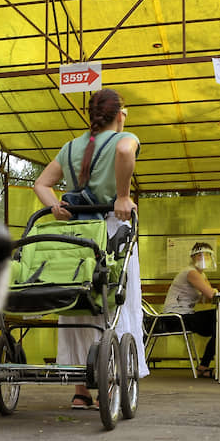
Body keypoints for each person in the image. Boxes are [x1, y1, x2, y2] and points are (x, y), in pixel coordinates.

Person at [33, 88, 148, 410]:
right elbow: (126, 150)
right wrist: (123, 196)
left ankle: (80, 389)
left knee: (77, 300)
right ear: (120, 115)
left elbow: (41, 183)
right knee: (115, 304)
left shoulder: (70, 147)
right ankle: (110, 385)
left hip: (75, 232)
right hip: (110, 227)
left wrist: (56, 206)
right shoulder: (124, 138)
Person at [162, 242, 220, 378]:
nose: (203, 259)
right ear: (192, 257)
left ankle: (208, 365)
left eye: (206, 256)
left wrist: (212, 291)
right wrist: (212, 291)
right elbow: (211, 294)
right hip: (175, 317)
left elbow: (210, 296)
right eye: (199, 256)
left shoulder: (201, 274)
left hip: (185, 315)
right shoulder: (191, 272)